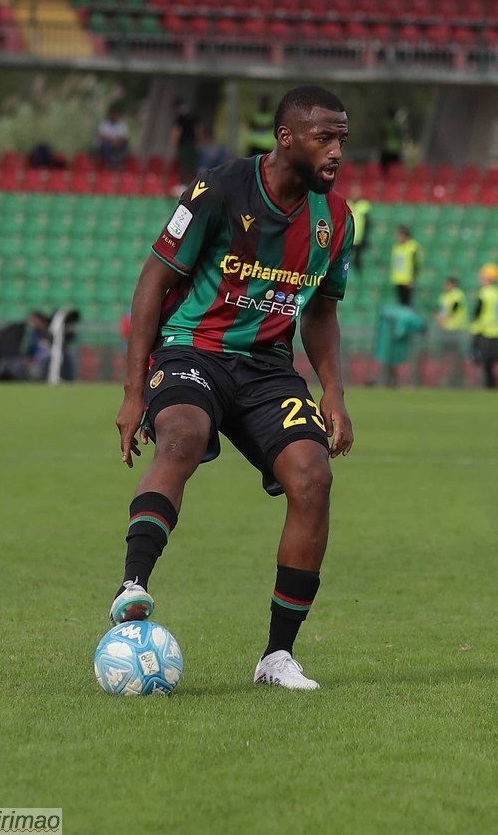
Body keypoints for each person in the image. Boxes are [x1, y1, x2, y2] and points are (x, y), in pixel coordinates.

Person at [112, 85, 355, 691]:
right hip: (193, 348)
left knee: (313, 477)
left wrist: (333, 391)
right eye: (324, 138)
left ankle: (277, 656)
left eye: (341, 141)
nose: (335, 153)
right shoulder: (218, 189)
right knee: (183, 438)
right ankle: (133, 586)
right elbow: (151, 283)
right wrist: (132, 390)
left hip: (269, 366)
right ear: (286, 137)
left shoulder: (336, 220)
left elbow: (321, 312)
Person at [469, 263, 498, 389]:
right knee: (491, 362)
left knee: (482, 360)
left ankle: (490, 384)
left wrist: (473, 327)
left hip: (483, 330)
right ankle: (491, 383)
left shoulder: (484, 293)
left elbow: (478, 311)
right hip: (496, 330)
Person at [389, 225, 421, 306]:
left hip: (407, 280)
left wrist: (413, 279)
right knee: (401, 303)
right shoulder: (396, 246)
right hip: (398, 279)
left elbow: (416, 264)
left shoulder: (412, 246)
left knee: (407, 302)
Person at [170, 98, 199, 187]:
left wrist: (174, 144)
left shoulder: (180, 118)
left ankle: (185, 184)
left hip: (184, 144)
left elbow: (176, 132)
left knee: (185, 165)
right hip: (192, 143)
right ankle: (193, 183)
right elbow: (198, 130)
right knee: (191, 165)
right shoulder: (193, 116)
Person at [380, 107, 404, 171]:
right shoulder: (398, 125)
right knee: (396, 168)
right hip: (396, 149)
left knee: (385, 169)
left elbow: (383, 136)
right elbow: (401, 137)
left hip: (388, 149)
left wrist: (382, 146)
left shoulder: (386, 124)